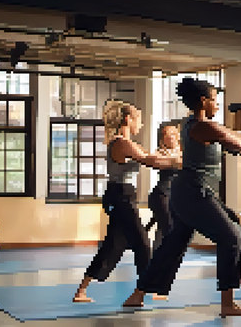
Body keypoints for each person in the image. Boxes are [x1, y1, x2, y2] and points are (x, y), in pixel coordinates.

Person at [122, 78, 241, 318]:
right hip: (194, 193)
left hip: (186, 192)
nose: (217, 104)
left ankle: (138, 295)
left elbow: (233, 138)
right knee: (232, 236)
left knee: (173, 244)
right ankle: (228, 304)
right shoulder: (204, 127)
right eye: (215, 100)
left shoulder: (193, 125)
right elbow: (239, 144)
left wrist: (238, 139)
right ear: (204, 101)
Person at [73, 100, 181, 303]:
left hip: (123, 195)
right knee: (142, 243)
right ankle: (142, 291)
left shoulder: (129, 143)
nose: (140, 124)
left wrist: (173, 158)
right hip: (119, 195)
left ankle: (81, 291)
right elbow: (151, 161)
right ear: (127, 119)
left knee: (113, 245)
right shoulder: (122, 142)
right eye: (138, 119)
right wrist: (179, 161)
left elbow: (152, 157)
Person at [147, 123, 182, 251]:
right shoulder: (159, 153)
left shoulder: (185, 151)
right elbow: (156, 162)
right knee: (167, 227)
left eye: (173, 134)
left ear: (178, 136)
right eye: (166, 135)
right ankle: (159, 257)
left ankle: (160, 258)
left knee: (167, 228)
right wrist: (175, 160)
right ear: (162, 138)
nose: (170, 137)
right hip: (162, 194)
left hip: (178, 196)